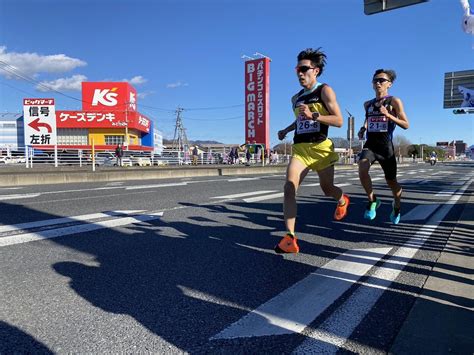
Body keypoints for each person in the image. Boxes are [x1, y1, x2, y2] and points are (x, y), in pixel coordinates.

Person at [275, 48, 350, 254]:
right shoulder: (296, 98)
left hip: (321, 148)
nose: (300, 73)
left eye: (304, 69)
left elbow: (339, 120)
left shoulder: (325, 90)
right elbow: (300, 119)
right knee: (289, 187)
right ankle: (290, 238)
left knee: (327, 189)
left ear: (315, 71)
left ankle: (342, 199)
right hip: (300, 148)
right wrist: (286, 130)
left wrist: (315, 116)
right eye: (297, 69)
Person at [357, 69, 409, 225]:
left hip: (386, 147)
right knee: (362, 168)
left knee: (391, 182)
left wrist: (389, 115)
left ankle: (397, 206)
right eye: (375, 80)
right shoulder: (367, 104)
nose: (378, 83)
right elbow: (368, 120)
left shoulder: (394, 101)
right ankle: (373, 200)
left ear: (389, 84)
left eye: (381, 80)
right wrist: (363, 128)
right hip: (371, 145)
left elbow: (406, 124)